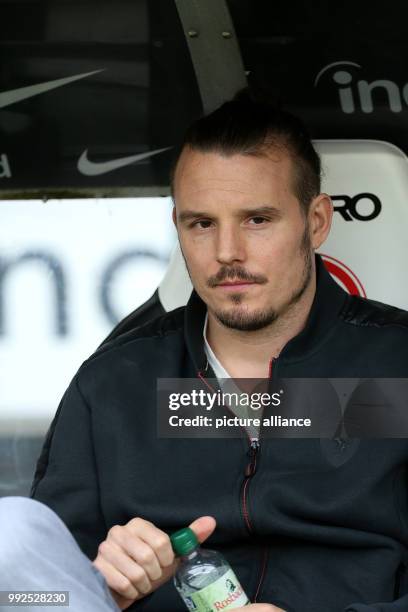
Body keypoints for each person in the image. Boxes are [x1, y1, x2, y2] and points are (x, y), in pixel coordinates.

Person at [3, 90, 408, 612]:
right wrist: (101, 583)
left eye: (257, 220)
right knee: (9, 532)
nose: (227, 253)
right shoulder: (115, 382)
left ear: (316, 222)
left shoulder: (394, 364)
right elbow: (27, 593)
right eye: (202, 223)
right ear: (178, 228)